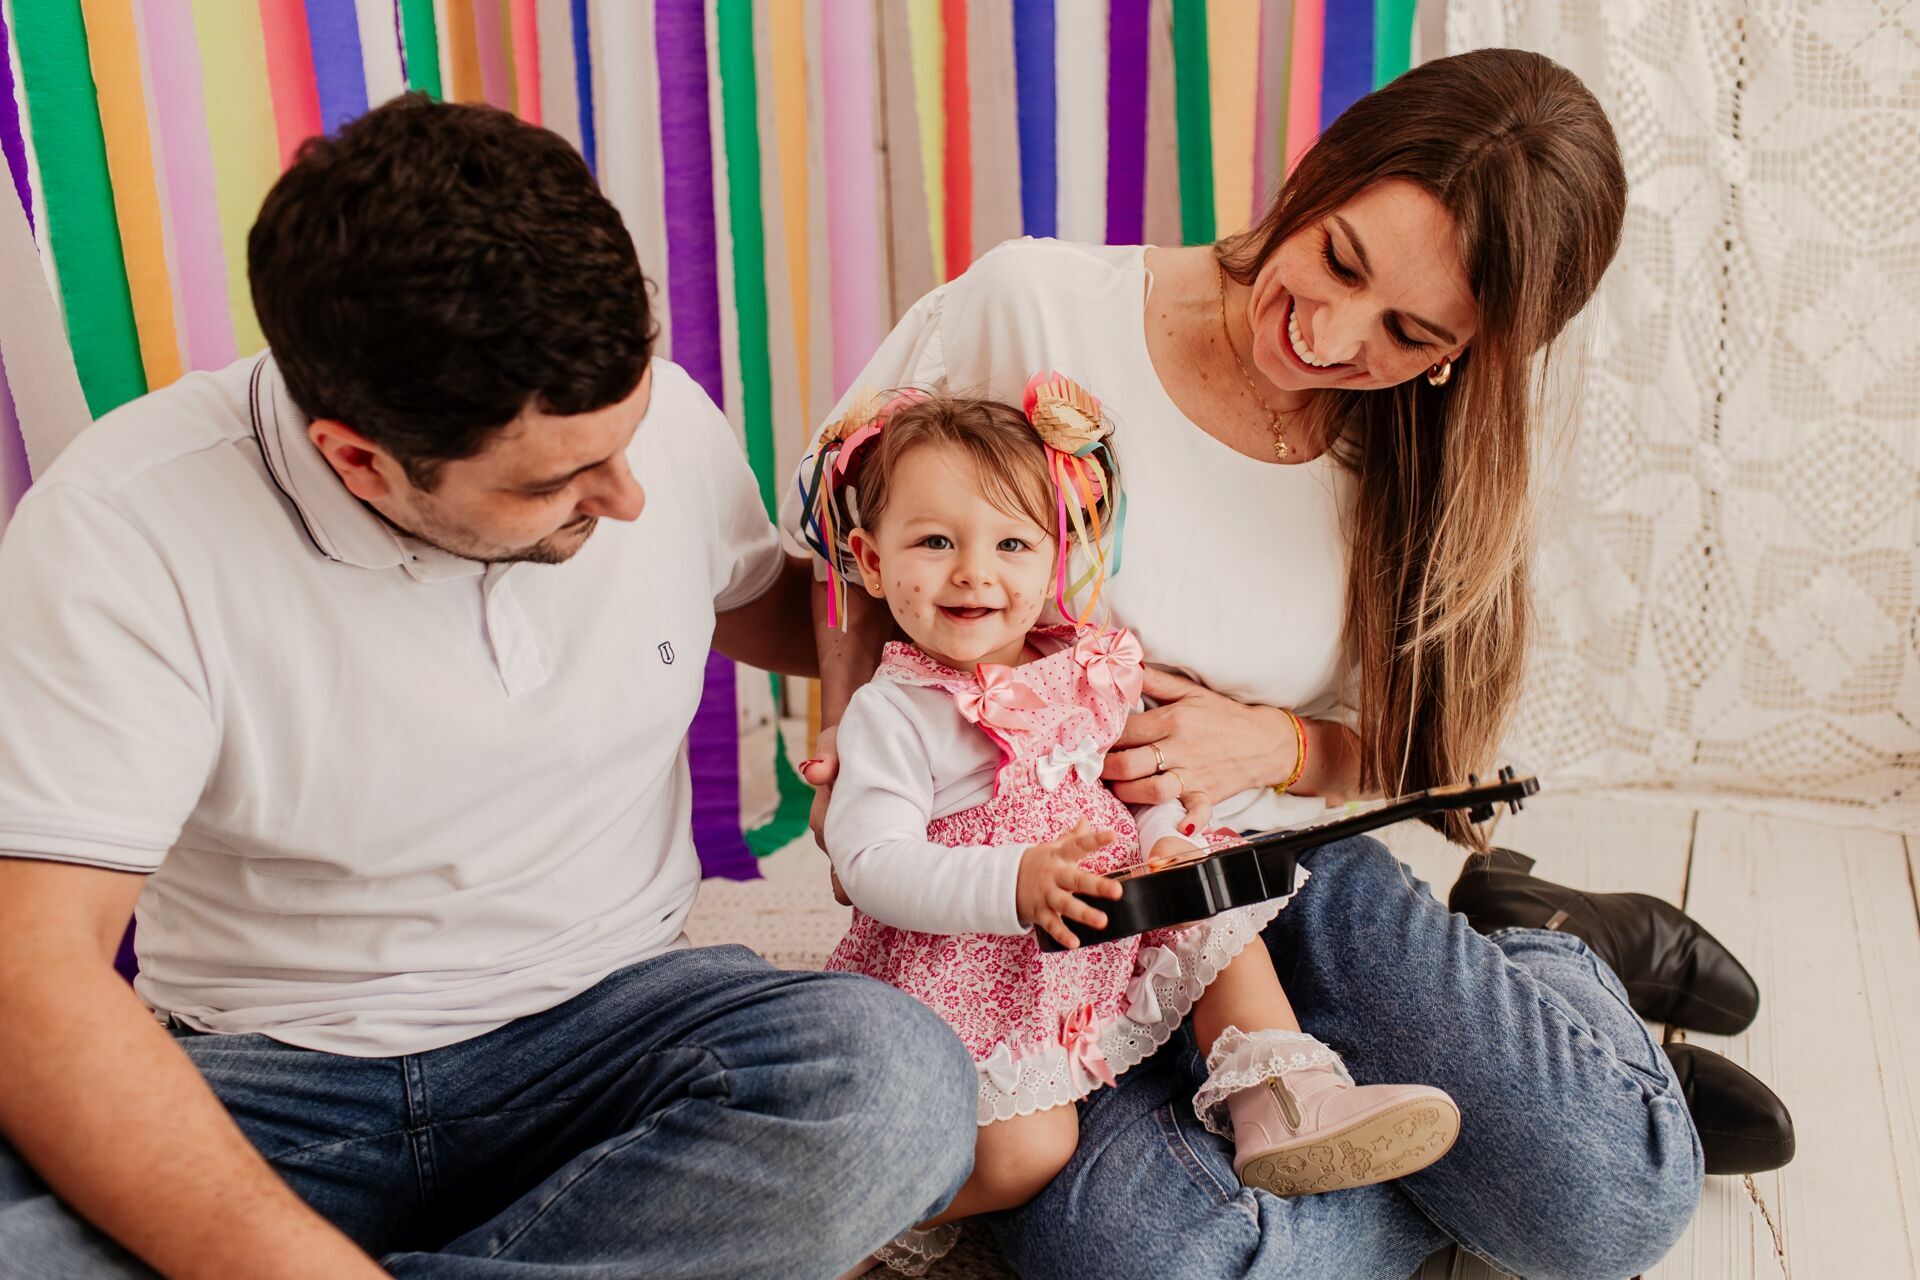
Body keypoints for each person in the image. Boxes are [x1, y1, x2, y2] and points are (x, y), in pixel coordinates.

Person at [789, 49, 1792, 1279]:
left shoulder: (1424, 466)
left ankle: (1538, 979)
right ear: (1321, 174)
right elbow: (844, 540)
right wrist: (855, 746)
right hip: (1033, 919)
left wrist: (1281, 744)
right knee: (1155, 1260)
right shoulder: (1036, 306)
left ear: (1462, 354)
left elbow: (1426, 753)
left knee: (1603, 1205)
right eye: (1341, 261)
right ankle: (1483, 1097)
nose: (1326, 332)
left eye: (1408, 331)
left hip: (1262, 883)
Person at [0, 96, 976, 1278]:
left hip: (617, 1029)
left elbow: (780, 592)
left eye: (627, 435)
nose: (628, 498)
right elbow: (34, 973)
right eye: (560, 481)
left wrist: (885, 685)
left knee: (894, 1085)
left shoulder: (642, 429)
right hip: (274, 1084)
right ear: (358, 457)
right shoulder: (121, 527)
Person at [797, 385, 1459, 1271]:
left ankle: (1280, 1097)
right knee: (1031, 1151)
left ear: (1055, 556)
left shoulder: (1082, 665)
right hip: (981, 968)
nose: (974, 572)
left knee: (1220, 913)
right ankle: (841, 1222)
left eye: (1012, 543)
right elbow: (870, 861)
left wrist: (1162, 840)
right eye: (934, 542)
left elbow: (1126, 780)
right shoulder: (895, 712)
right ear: (872, 563)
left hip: (1110, 912)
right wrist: (1013, 882)